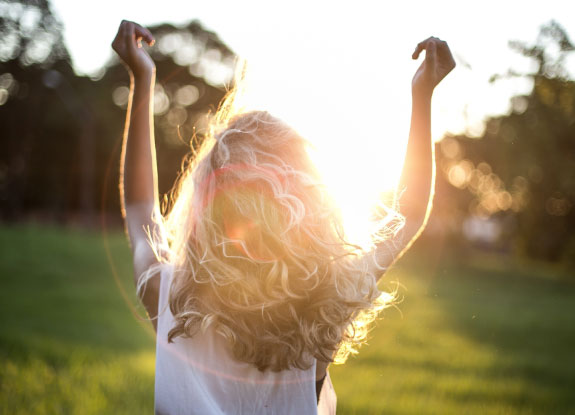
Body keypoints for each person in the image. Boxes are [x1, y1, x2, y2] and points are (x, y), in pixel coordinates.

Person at [112, 19, 455, 415]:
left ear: (204, 209)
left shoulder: (171, 297)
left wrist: (142, 78)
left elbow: (141, 211)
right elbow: (407, 214)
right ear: (309, 209)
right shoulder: (326, 303)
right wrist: (422, 95)